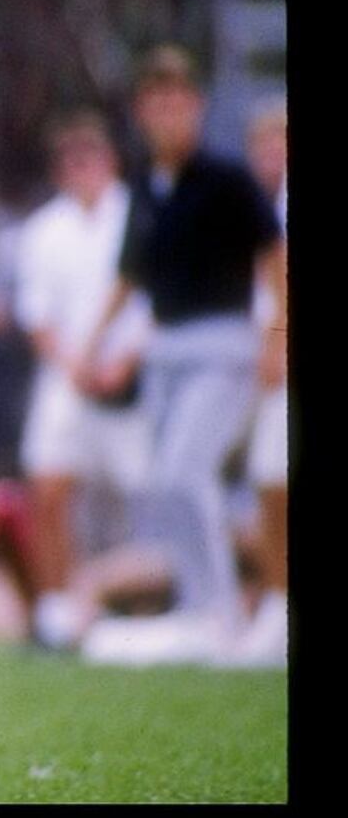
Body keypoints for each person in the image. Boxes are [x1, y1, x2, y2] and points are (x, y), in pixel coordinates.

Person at [79, 45, 284, 663]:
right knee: (164, 486)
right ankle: (202, 606)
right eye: (156, 103)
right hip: (166, 349)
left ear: (195, 107)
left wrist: (277, 337)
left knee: (183, 472)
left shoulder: (226, 178)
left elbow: (274, 258)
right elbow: (132, 274)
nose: (167, 115)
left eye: (178, 101)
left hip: (220, 343)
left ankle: (220, 611)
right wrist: (97, 342)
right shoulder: (146, 184)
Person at [13, 111, 152, 650]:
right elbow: (36, 313)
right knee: (48, 487)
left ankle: (142, 609)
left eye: (89, 158)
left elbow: (152, 303)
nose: (81, 170)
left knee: (143, 499)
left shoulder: (135, 217)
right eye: (71, 162)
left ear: (109, 161)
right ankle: (56, 607)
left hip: (131, 377)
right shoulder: (46, 228)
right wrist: (74, 364)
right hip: (67, 377)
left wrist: (122, 363)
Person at [233, 97, 287, 666]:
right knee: (268, 483)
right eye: (263, 144)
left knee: (273, 478)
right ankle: (274, 606)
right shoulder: (261, 204)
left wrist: (276, 341)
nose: (271, 155)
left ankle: (276, 610)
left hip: (283, 356)